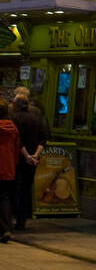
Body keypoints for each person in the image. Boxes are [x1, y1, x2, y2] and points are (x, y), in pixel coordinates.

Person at [12, 89, 46, 230]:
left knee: (12, 189)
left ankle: (10, 219)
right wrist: (35, 156)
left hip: (17, 159)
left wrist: (26, 156)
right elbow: (43, 140)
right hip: (32, 161)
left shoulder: (14, 118)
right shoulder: (36, 119)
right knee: (26, 189)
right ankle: (21, 221)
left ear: (17, 105)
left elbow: (17, 141)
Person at [0, 99, 22, 242]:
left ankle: (3, 229)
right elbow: (16, 149)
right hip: (8, 168)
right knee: (4, 198)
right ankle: (6, 229)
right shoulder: (13, 128)